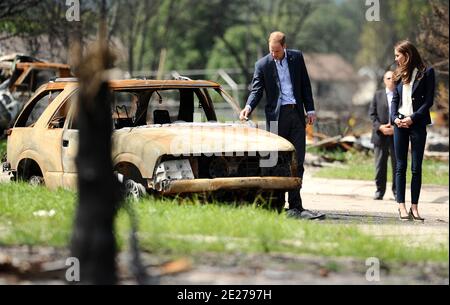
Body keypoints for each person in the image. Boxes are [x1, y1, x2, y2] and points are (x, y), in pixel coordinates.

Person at [239, 31, 325, 220]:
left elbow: (305, 85)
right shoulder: (262, 64)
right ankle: (274, 203)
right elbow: (256, 90)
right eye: (271, 50)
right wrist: (248, 107)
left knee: (298, 160)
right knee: (276, 161)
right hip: (277, 118)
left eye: (277, 51)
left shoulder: (297, 58)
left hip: (296, 114)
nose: (273, 54)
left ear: (284, 47)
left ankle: (296, 206)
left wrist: (310, 109)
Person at [390, 40, 435, 221]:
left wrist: (413, 118)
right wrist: (394, 118)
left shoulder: (427, 73)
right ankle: (401, 206)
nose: (396, 59)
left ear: (407, 55)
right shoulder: (398, 74)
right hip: (400, 124)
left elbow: (428, 101)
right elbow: (395, 99)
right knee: (400, 166)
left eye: (397, 55)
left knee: (416, 168)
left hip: (416, 123)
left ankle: (414, 207)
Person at [369, 71, 397, 200]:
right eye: (389, 78)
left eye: (394, 78)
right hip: (380, 135)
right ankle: (379, 191)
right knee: (380, 165)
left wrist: (395, 129)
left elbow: (405, 113)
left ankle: (397, 192)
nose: (392, 80)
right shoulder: (378, 95)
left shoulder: (400, 94)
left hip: (397, 135)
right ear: (384, 80)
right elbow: (372, 115)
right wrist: (380, 127)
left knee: (397, 165)